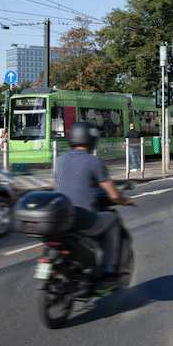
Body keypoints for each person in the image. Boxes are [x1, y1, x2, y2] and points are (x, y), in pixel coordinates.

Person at [55, 121, 132, 289]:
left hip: (62, 221)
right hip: (84, 221)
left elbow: (58, 185)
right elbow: (112, 193)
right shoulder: (94, 161)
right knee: (112, 219)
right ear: (91, 140)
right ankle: (110, 270)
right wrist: (124, 200)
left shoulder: (60, 160)